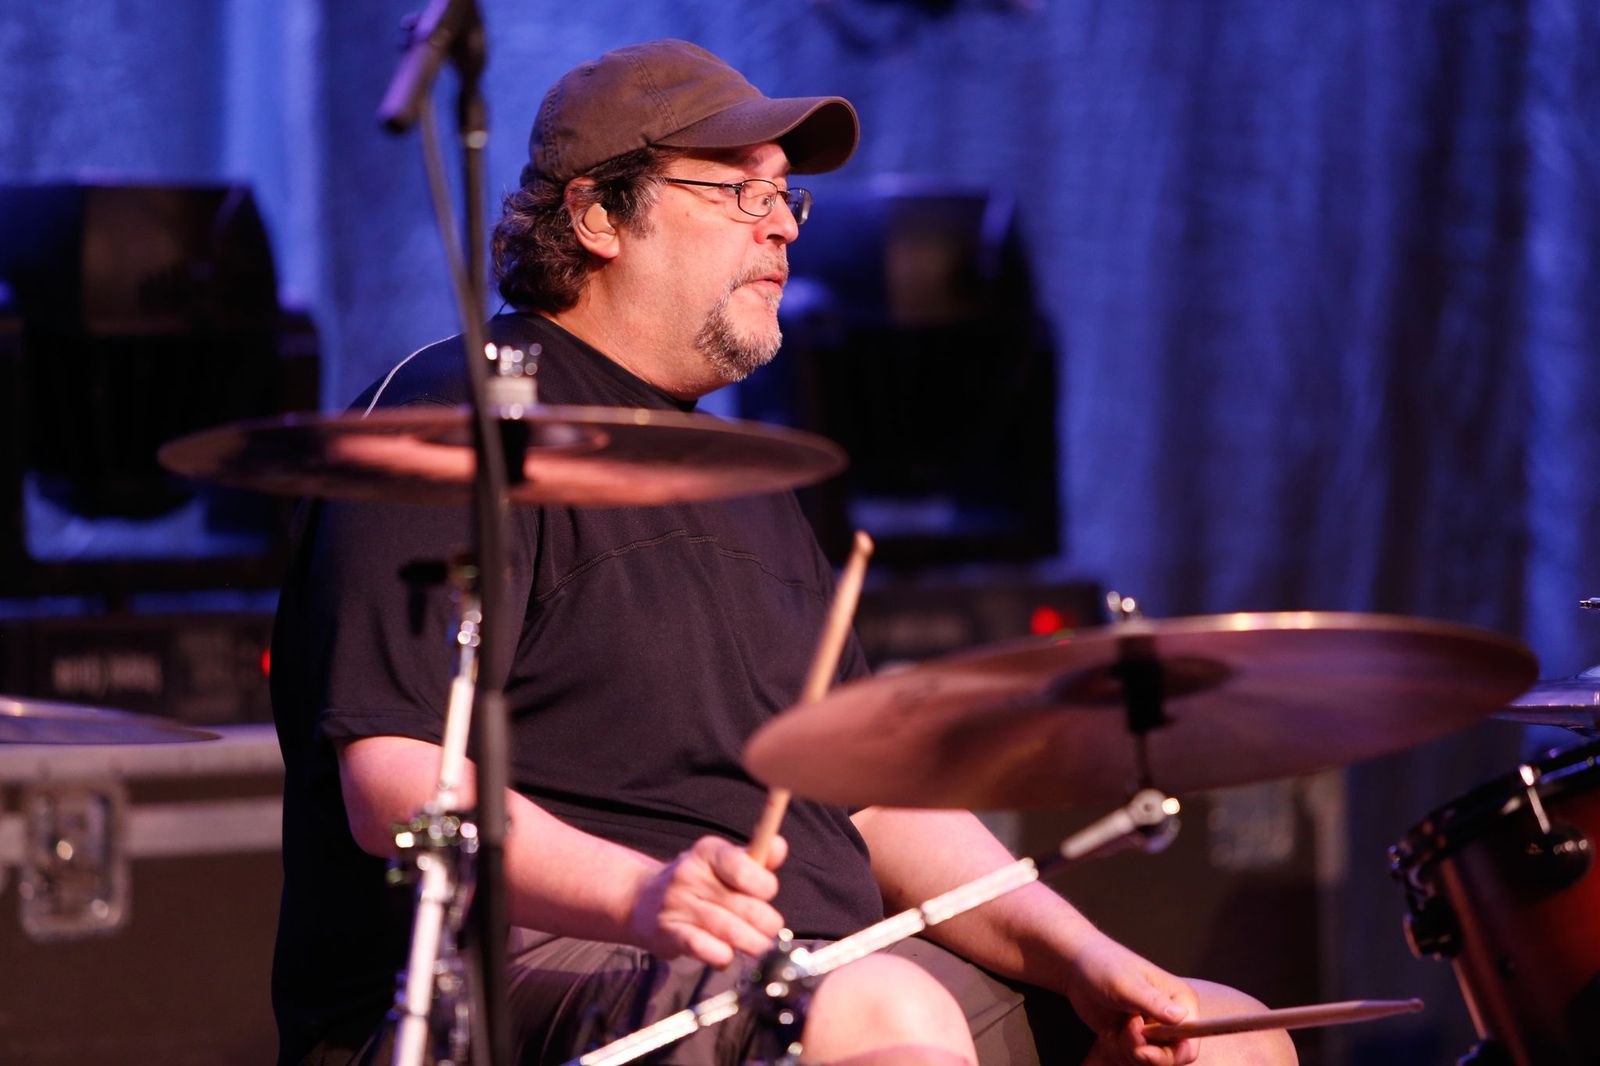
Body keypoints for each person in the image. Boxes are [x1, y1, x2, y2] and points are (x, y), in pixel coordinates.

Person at [269, 39, 1299, 1066]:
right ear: (595, 216)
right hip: (533, 970)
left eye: (786, 199)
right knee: (882, 1016)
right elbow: (398, 779)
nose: (779, 227)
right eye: (734, 192)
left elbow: (870, 804)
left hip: (815, 968)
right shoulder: (458, 417)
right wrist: (645, 893)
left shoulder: (746, 478)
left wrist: (1079, 954)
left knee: (1222, 1034)